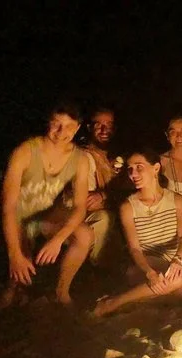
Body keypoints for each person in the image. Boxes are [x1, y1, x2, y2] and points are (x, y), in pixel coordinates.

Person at [0, 103, 93, 307]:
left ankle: (61, 292)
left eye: (69, 126)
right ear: (48, 123)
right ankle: (9, 294)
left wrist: (58, 239)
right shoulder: (25, 152)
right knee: (16, 280)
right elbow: (8, 207)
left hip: (45, 216)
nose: (61, 132)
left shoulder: (80, 159)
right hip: (17, 216)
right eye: (56, 124)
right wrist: (14, 254)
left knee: (84, 235)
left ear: (77, 128)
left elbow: (80, 207)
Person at [93, 149, 182, 316]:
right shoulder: (128, 207)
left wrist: (177, 259)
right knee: (180, 280)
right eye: (130, 169)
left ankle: (134, 300)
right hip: (144, 263)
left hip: (170, 263)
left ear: (156, 168)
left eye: (139, 167)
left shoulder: (175, 200)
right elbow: (135, 249)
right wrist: (149, 273)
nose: (133, 174)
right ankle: (112, 304)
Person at [82, 107, 121, 264]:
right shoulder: (86, 156)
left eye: (109, 125)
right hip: (83, 218)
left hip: (113, 208)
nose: (104, 130)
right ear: (89, 128)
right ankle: (95, 265)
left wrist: (106, 196)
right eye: (98, 125)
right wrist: (117, 199)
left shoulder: (116, 156)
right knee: (104, 218)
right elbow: (90, 203)